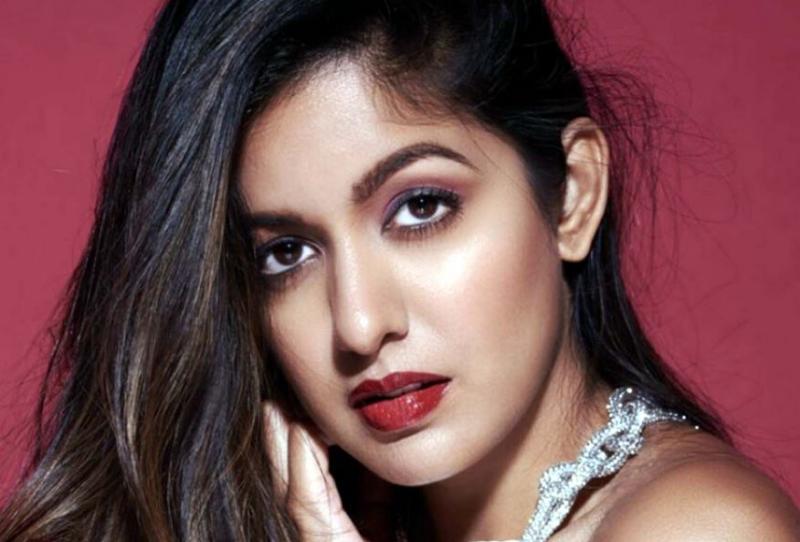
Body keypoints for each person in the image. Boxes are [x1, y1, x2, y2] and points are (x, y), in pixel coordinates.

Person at [0, 1, 798, 540]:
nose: (358, 323)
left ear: (574, 196)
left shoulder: (699, 528)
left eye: (419, 207)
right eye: (286, 252)